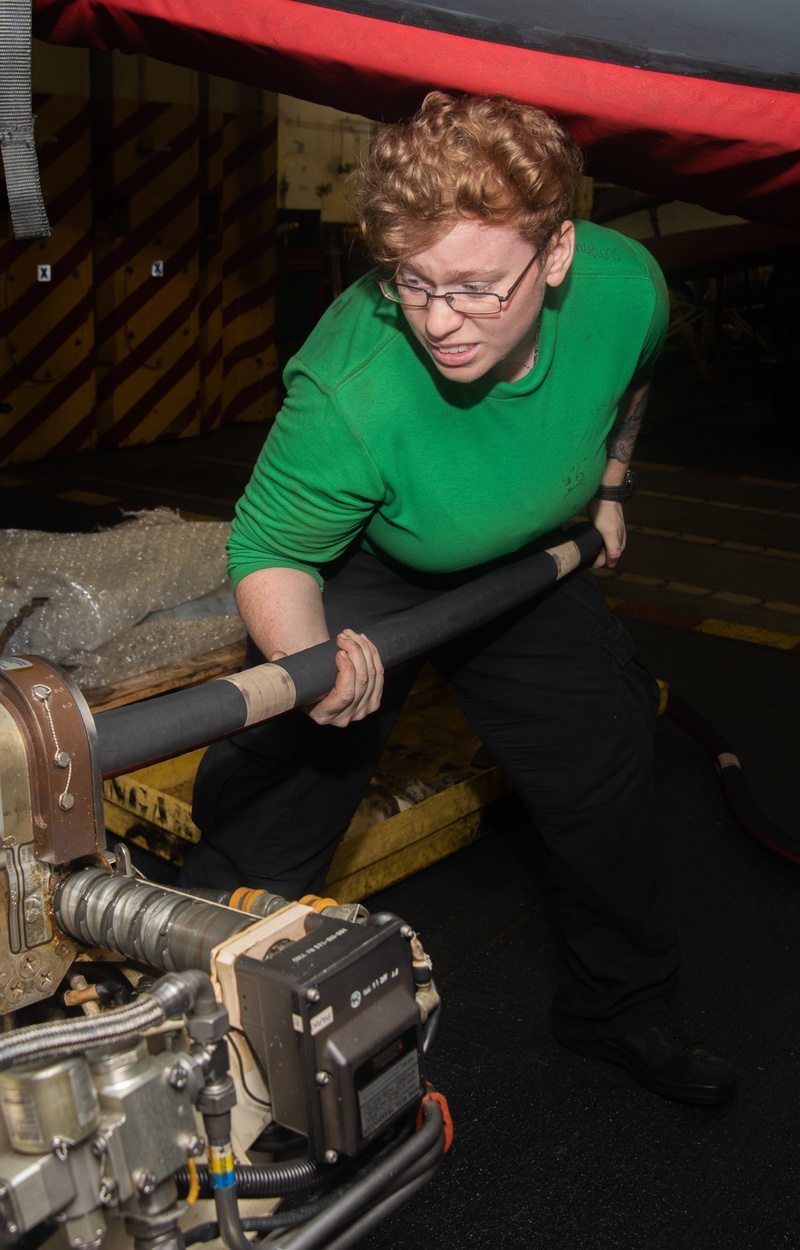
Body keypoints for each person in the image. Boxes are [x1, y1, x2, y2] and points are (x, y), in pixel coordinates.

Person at [178, 93, 734, 1105]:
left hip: (524, 556)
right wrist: (310, 669)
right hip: (376, 559)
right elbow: (267, 545)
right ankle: (191, 1011)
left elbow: (633, 380)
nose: (439, 321)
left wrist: (611, 485)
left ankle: (618, 1009)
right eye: (414, 283)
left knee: (604, 757)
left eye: (476, 286)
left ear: (555, 254)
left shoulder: (627, 289)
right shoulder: (355, 380)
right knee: (280, 791)